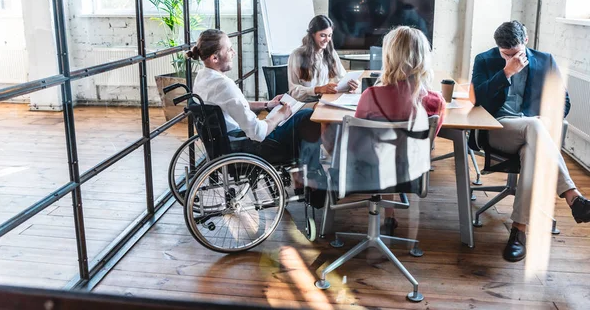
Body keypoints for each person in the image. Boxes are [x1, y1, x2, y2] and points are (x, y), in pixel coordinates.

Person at [471, 20, 590, 262]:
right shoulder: (485, 60)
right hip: (499, 128)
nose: (510, 57)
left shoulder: (545, 61)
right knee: (534, 127)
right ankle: (572, 195)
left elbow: (563, 102)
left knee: (531, 152)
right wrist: (506, 72)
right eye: (505, 54)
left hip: (534, 133)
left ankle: (518, 231)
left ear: (525, 40)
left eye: (514, 53)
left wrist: (547, 118)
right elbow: (477, 99)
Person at [188, 29, 321, 172]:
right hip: (246, 146)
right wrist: (280, 115)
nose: (234, 52)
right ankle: (312, 178)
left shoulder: (203, 77)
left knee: (299, 116)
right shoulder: (223, 85)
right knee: (308, 116)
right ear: (215, 58)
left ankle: (308, 175)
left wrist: (267, 104)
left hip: (226, 143)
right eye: (229, 49)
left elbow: (233, 105)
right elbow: (257, 132)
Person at [354, 26, 445, 234]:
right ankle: (390, 217)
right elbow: (428, 143)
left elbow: (357, 141)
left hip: (369, 171)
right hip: (411, 172)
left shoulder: (370, 95)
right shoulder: (436, 101)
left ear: (389, 57)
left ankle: (387, 216)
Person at [288, 15, 359, 102]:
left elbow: (342, 77)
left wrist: (354, 84)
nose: (327, 39)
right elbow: (293, 92)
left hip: (322, 100)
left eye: (329, 35)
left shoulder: (331, 53)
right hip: (302, 103)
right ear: (312, 35)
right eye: (323, 35)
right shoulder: (297, 55)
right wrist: (317, 89)